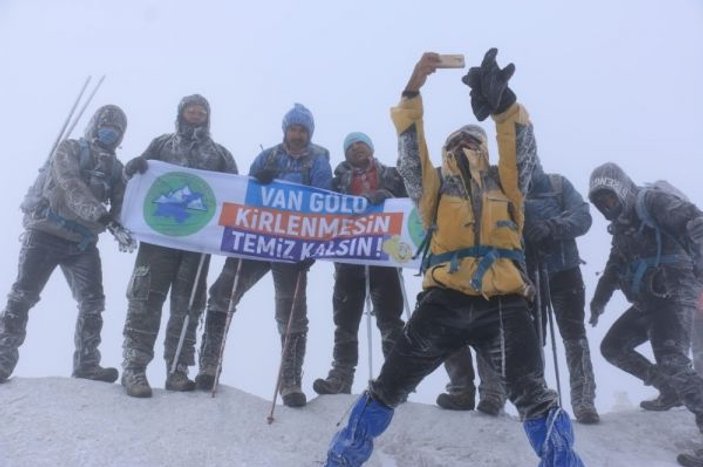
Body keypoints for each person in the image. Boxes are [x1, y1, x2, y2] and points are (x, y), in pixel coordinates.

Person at [325, 49, 583, 467]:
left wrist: (504, 106)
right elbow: (411, 150)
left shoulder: (508, 184)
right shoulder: (434, 188)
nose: (466, 143)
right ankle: (341, 459)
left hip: (504, 303)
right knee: (388, 385)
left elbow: (520, 147)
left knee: (534, 395)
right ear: (448, 149)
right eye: (458, 140)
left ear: (483, 147)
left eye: (473, 139)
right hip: (443, 301)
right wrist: (413, 88)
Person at [437, 170, 600, 424]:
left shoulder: (557, 184)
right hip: (524, 274)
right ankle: (540, 400)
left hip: (565, 272)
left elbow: (583, 217)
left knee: (573, 335)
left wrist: (551, 227)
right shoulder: (502, 187)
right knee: (532, 339)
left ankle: (583, 400)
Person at [196, 103, 332, 407]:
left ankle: (290, 382)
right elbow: (246, 190)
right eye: (292, 129)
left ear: (309, 133)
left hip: (292, 245)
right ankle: (208, 364)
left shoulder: (319, 161)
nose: (296, 135)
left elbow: (325, 201)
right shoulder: (269, 155)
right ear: (285, 129)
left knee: (292, 313)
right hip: (256, 239)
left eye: (302, 130)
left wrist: (313, 246)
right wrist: (260, 178)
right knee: (222, 292)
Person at [0, 105, 135, 384]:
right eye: (105, 125)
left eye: (117, 129)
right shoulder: (70, 149)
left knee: (93, 302)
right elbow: (69, 184)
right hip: (45, 233)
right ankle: (2, 356)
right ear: (94, 125)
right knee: (23, 295)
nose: (110, 132)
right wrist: (103, 218)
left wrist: (125, 225)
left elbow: (123, 205)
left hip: (82, 242)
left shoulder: (116, 169)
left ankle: (87, 364)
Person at [120, 94, 237, 398]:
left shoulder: (220, 154)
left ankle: (178, 369)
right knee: (145, 298)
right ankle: (134, 367)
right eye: (191, 109)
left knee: (188, 305)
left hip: (197, 243)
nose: (196, 114)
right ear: (181, 113)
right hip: (158, 236)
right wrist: (131, 167)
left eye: (201, 110)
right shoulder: (162, 144)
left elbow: (236, 193)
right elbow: (134, 176)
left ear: (207, 116)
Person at [587, 163, 703, 466]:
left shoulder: (651, 201)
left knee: (673, 359)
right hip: (647, 303)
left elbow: (694, 221)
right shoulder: (622, 229)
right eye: (601, 203)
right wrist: (598, 301)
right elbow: (614, 267)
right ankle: (668, 388)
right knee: (612, 348)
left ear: (622, 188)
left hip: (675, 294)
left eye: (610, 198)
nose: (606, 207)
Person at [313, 132, 406, 395]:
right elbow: (318, 202)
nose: (356, 149)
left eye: (361, 144)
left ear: (371, 147)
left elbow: (410, 194)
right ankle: (341, 375)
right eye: (351, 147)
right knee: (345, 318)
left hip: (384, 253)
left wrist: (385, 194)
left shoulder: (391, 173)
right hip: (349, 255)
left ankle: (396, 378)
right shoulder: (337, 181)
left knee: (390, 318)